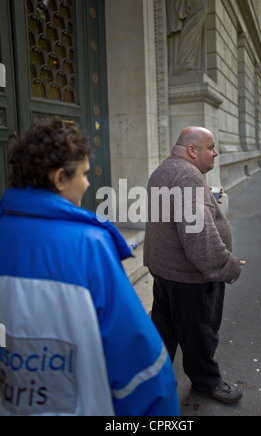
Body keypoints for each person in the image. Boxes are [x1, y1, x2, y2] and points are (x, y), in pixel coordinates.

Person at [0, 118, 179, 416]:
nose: (87, 182)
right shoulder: (88, 246)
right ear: (59, 178)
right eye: (83, 173)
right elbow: (140, 369)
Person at [144, 126, 246, 405]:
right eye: (210, 147)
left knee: (165, 327)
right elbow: (199, 237)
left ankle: (151, 379)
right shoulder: (189, 176)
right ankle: (207, 382)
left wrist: (207, 196)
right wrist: (228, 265)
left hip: (163, 269)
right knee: (199, 332)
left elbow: (174, 209)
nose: (215, 153)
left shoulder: (165, 169)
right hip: (189, 276)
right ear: (192, 151)